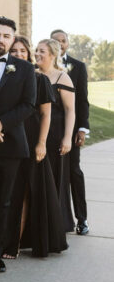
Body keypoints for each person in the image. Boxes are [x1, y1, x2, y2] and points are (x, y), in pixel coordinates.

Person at [0, 16, 37, 272]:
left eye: (6, 36)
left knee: (3, 201)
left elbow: (28, 104)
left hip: (10, 144)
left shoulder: (24, 69)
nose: (0, 39)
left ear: (12, 39)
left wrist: (0, 124)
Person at [6, 36, 67, 258]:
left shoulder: (39, 79)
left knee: (23, 193)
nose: (19, 54)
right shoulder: (2, 78)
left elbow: (46, 114)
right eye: (14, 51)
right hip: (6, 138)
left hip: (31, 140)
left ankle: (15, 244)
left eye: (23, 51)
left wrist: (41, 143)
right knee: (7, 192)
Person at [51, 29, 90, 234]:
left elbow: (82, 100)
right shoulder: (40, 66)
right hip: (48, 129)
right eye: (56, 41)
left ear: (67, 43)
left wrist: (82, 129)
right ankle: (57, 218)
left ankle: (82, 219)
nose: (60, 44)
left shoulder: (79, 66)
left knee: (74, 171)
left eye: (63, 41)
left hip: (71, 129)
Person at [36, 38, 76, 233]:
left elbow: (70, 110)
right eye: (36, 50)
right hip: (36, 134)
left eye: (42, 51)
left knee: (55, 179)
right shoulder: (32, 75)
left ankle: (58, 224)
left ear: (52, 55)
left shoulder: (62, 78)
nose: (37, 54)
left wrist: (68, 137)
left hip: (56, 135)